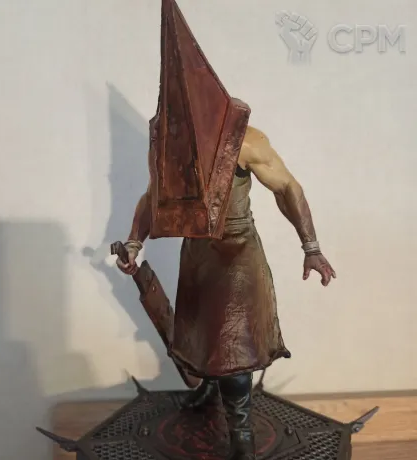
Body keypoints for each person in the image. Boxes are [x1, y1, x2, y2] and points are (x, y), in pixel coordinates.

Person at [116, 125, 336, 460]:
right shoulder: (169, 135)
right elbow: (154, 194)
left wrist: (312, 247)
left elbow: (287, 186)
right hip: (196, 251)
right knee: (203, 333)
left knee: (234, 346)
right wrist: (134, 242)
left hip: (237, 250)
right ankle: (209, 388)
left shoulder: (243, 139)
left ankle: (241, 433)